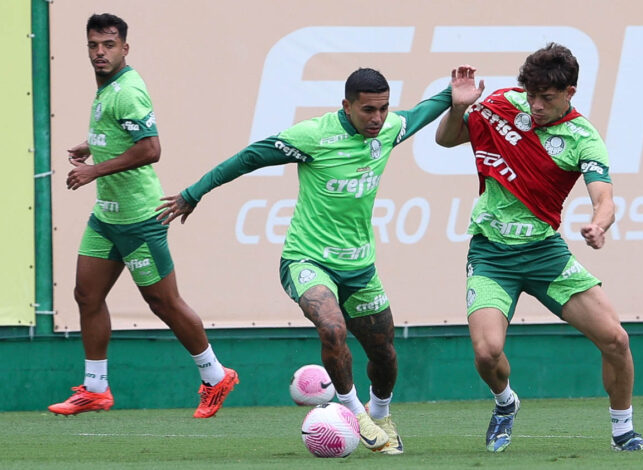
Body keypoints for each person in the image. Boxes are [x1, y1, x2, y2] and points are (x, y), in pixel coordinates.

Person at [156, 65, 483, 454]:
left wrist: (452, 98)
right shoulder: (313, 136)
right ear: (346, 106)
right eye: (367, 110)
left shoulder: (389, 129)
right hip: (307, 260)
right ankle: (353, 412)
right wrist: (193, 193)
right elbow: (248, 158)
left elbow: (421, 113)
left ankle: (380, 413)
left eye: (382, 108)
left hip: (360, 268)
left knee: (384, 352)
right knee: (332, 327)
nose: (377, 118)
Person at [435, 43, 643, 453]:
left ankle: (624, 433)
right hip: (491, 255)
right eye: (531, 95)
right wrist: (458, 107)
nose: (535, 105)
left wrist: (599, 223)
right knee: (487, 353)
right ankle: (506, 403)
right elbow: (446, 140)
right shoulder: (503, 103)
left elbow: (605, 198)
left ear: (570, 93)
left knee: (616, 340)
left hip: (545, 254)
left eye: (546, 98)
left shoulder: (582, 137)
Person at [48, 13, 238, 419]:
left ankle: (215, 375)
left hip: (138, 219)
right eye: (94, 46)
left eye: (109, 45)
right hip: (107, 217)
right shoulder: (107, 89)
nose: (100, 52)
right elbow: (122, 134)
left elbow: (151, 149)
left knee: (163, 302)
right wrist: (91, 145)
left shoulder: (128, 91)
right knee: (86, 295)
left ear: (125, 49)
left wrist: (93, 169)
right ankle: (96, 388)